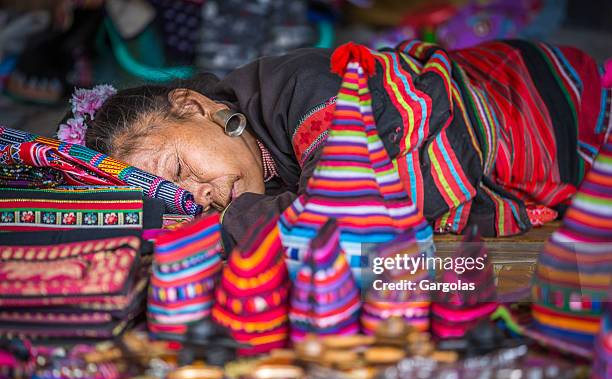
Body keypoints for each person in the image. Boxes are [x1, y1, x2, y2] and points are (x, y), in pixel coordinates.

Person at [58, 40, 611, 250]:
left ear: (193, 107)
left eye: (177, 167)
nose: (195, 196)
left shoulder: (300, 87)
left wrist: (225, 228)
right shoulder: (262, 161)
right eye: (171, 195)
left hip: (537, 100)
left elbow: (344, 209)